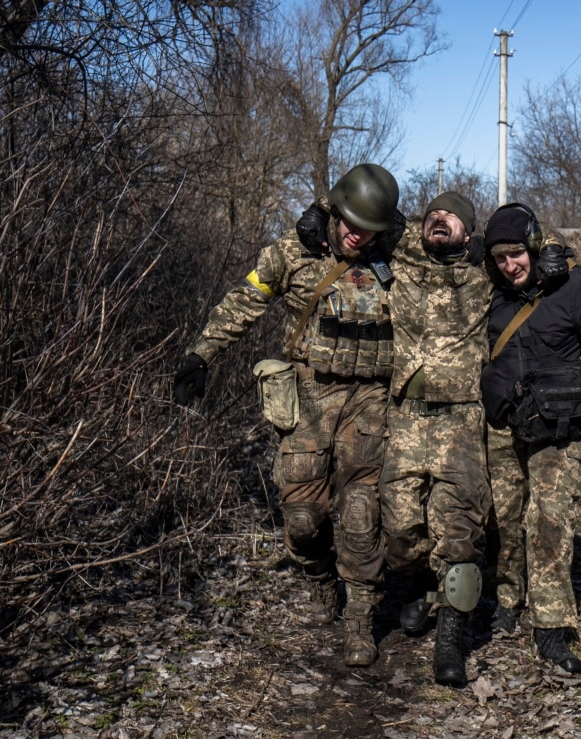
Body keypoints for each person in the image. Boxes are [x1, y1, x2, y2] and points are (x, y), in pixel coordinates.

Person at [173, 163, 405, 667]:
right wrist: (201, 355)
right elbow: (246, 299)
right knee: (303, 519)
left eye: (369, 230)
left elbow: (453, 256)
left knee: (362, 512)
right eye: (349, 223)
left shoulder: (397, 252)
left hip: (371, 400)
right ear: (334, 210)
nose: (356, 237)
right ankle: (320, 579)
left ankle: (360, 618)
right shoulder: (292, 251)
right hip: (310, 398)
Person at [480, 203, 581, 675]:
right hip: (502, 424)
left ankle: (551, 626)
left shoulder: (577, 288)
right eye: (500, 258)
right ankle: (509, 597)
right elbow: (433, 240)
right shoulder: (486, 285)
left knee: (548, 517)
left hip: (558, 428)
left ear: (533, 245)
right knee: (506, 515)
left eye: (517, 254)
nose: (510, 266)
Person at [380, 191, 493, 688]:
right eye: (432, 216)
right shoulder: (401, 252)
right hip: (405, 415)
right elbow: (361, 199)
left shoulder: (485, 268)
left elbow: (536, 237)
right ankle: (426, 585)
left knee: (461, 530)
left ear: (468, 230)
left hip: (462, 419)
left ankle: (451, 639)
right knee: (401, 527)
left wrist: (491, 244)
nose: (438, 221)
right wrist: (320, 214)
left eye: (450, 218)